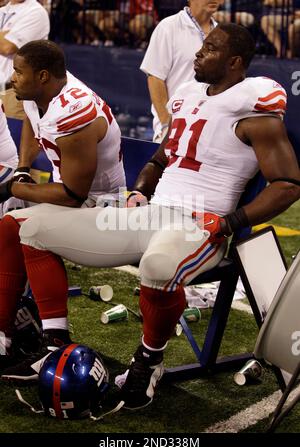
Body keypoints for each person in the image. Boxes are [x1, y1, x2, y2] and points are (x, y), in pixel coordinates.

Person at [1, 25, 300, 412]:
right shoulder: (191, 97)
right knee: (30, 227)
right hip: (151, 212)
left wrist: (229, 222)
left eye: (209, 48)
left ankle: (148, 361)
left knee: (158, 267)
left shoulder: (254, 109)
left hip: (198, 221)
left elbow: (289, 184)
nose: (198, 53)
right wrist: (142, 188)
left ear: (235, 62)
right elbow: (163, 156)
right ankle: (54, 344)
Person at [0, 39, 125, 369]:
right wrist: (24, 168)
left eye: (18, 72)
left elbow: (73, 194)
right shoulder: (39, 93)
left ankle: (54, 344)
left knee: (24, 226)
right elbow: (31, 120)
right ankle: (4, 336)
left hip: (105, 207)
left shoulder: (74, 111)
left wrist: (14, 187)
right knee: (10, 226)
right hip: (72, 196)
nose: (12, 79)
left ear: (42, 76)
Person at [140, 0, 224, 143]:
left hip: (208, 132)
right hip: (173, 130)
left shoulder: (221, 34)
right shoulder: (168, 27)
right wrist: (167, 124)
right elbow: (155, 78)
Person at [0, 0, 50, 119]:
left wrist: (5, 39)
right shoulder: (2, 11)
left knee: (12, 137)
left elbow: (8, 47)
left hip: (13, 94)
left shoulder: (36, 12)